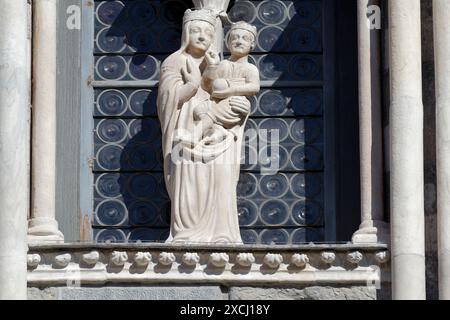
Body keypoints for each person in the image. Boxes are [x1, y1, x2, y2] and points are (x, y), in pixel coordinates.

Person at [157, 9, 252, 243]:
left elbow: (225, 92)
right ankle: (187, 232)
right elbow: (169, 99)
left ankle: (222, 233)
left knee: (221, 175)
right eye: (196, 30)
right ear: (186, 33)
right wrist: (192, 84)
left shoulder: (218, 63)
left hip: (218, 134)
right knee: (189, 179)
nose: (202, 36)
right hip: (185, 128)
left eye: (208, 33)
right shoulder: (175, 61)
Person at [193, 21, 260, 145]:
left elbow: (254, 87)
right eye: (234, 38)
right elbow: (207, 86)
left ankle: (195, 135)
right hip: (216, 100)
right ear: (228, 43)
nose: (239, 41)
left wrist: (230, 91)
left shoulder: (250, 68)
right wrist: (212, 65)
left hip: (235, 102)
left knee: (216, 111)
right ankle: (218, 130)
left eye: (244, 39)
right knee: (199, 109)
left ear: (252, 44)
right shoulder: (223, 64)